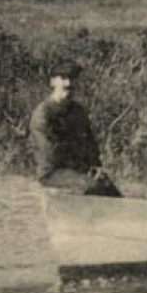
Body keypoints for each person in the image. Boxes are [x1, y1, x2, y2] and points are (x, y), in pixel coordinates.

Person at [28, 61, 121, 196]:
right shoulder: (44, 113)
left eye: (72, 79)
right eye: (64, 78)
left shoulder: (77, 111)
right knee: (92, 185)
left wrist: (95, 166)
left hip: (76, 172)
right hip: (52, 174)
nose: (68, 83)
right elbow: (50, 153)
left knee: (107, 187)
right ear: (53, 82)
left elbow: (90, 143)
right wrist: (81, 168)